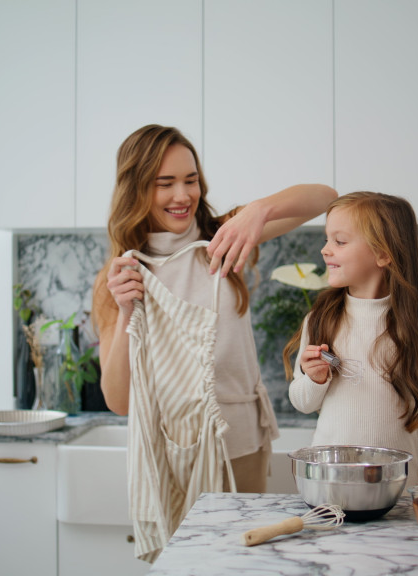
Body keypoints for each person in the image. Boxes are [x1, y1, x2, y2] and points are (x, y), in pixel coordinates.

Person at [92, 124, 337, 493]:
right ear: (137, 187)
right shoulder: (121, 276)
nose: (182, 195)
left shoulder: (224, 238)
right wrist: (128, 313)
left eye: (191, 180)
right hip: (173, 452)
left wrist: (258, 210)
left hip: (242, 444)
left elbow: (326, 198)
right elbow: (119, 401)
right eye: (165, 182)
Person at [284, 191, 418, 486]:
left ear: (382, 254)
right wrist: (314, 380)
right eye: (327, 239)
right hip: (329, 486)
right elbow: (302, 402)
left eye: (339, 241)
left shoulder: (417, 325)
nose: (325, 250)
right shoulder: (322, 318)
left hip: (397, 490)